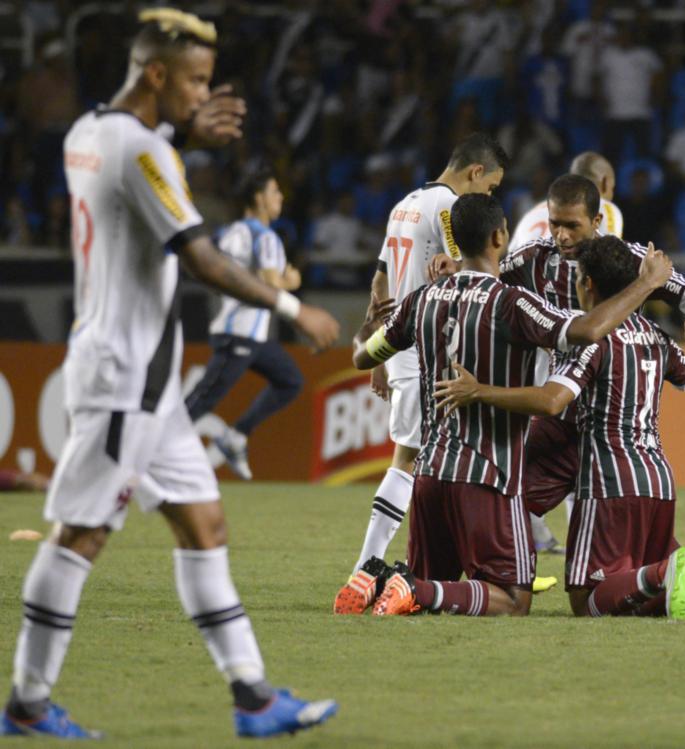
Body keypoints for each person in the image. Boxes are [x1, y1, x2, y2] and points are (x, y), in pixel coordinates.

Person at [1, 9, 340, 739]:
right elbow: (202, 257)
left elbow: (139, 162)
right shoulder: (145, 154)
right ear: (156, 73)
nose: (202, 94)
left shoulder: (90, 132)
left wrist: (183, 133)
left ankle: (252, 697)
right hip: (126, 379)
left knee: (205, 524)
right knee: (79, 537)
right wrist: (290, 305)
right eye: (193, 81)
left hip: (148, 390)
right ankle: (27, 703)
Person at [343, 193, 674, 618]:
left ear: (455, 243)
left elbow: (361, 357)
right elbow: (589, 330)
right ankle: (407, 585)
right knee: (514, 599)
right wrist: (647, 284)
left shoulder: (421, 300)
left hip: (428, 476)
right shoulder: (512, 304)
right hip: (488, 477)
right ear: (500, 236)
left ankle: (379, 579)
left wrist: (366, 328)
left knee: (430, 591)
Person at [433, 235, 685, 619]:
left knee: (586, 599)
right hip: (658, 479)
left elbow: (551, 401)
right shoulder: (657, 339)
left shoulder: (592, 341)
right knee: (631, 585)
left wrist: (480, 391)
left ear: (587, 284)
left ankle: (666, 570)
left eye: (579, 277)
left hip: (608, 479)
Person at [493, 175, 685, 555]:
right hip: (565, 416)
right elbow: (487, 273)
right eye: (555, 223)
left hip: (607, 419)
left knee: (621, 537)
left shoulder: (627, 258)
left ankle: (681, 576)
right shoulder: (535, 258)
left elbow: (678, 287)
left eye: (572, 225)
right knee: (508, 501)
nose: (562, 235)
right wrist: (454, 267)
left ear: (596, 221)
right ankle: (508, 575)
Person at [334, 134, 509, 608]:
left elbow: (380, 284)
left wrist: (379, 356)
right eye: (490, 188)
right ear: (475, 173)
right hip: (427, 350)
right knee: (411, 462)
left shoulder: (404, 204)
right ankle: (366, 567)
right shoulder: (448, 207)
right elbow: (463, 266)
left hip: (402, 346)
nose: (487, 199)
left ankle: (432, 566)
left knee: (423, 461)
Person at [185, 167, 304, 480]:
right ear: (259, 197)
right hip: (240, 334)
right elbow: (270, 285)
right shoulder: (265, 236)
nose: (280, 198)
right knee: (198, 403)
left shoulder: (229, 231)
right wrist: (288, 281)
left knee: (290, 379)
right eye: (275, 191)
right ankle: (146, 458)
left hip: (249, 335)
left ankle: (236, 436)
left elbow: (209, 274)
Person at [509, 151, 624, 250]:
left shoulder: (531, 214)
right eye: (612, 188)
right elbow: (609, 260)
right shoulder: (605, 208)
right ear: (605, 183)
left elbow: (510, 261)